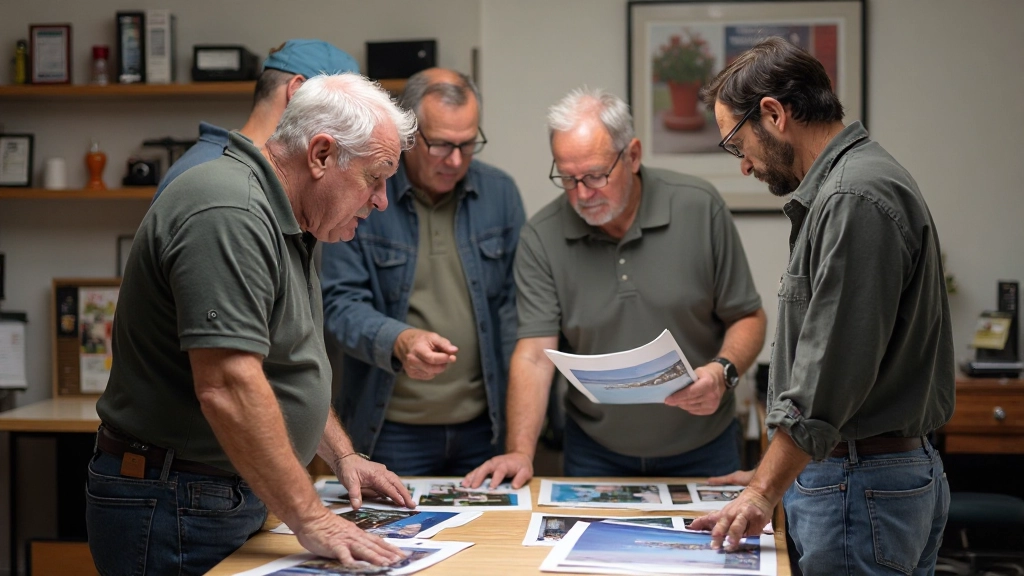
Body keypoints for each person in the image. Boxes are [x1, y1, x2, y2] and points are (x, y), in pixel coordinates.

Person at [87, 74, 420, 575]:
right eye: (375, 177)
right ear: (322, 155)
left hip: (212, 494)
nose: (381, 200)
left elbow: (283, 367)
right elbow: (227, 384)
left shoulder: (286, 215)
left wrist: (342, 455)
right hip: (175, 501)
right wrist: (311, 517)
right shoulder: (231, 211)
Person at [690, 37, 954, 575]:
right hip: (862, 478)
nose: (744, 166)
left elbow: (828, 372)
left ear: (773, 113)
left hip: (859, 485)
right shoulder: (852, 183)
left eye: (739, 146)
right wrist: (779, 473)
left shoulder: (853, 198)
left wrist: (764, 491)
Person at [463, 87, 766, 489]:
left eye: (595, 176)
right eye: (567, 179)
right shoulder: (542, 235)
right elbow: (534, 354)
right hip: (595, 452)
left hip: (704, 446)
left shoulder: (698, 206)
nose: (582, 194)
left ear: (633, 155)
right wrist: (520, 450)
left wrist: (723, 371)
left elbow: (747, 315)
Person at [321, 68, 526, 476]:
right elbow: (338, 304)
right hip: (391, 428)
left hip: (483, 428)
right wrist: (399, 339)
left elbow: (516, 311)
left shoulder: (500, 194)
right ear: (410, 134)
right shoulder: (365, 193)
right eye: (442, 145)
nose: (455, 160)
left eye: (468, 145)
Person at [153, 38, 359, 201]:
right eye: (341, 110)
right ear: (296, 91)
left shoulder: (253, 170)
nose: (345, 130)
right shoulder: (214, 177)